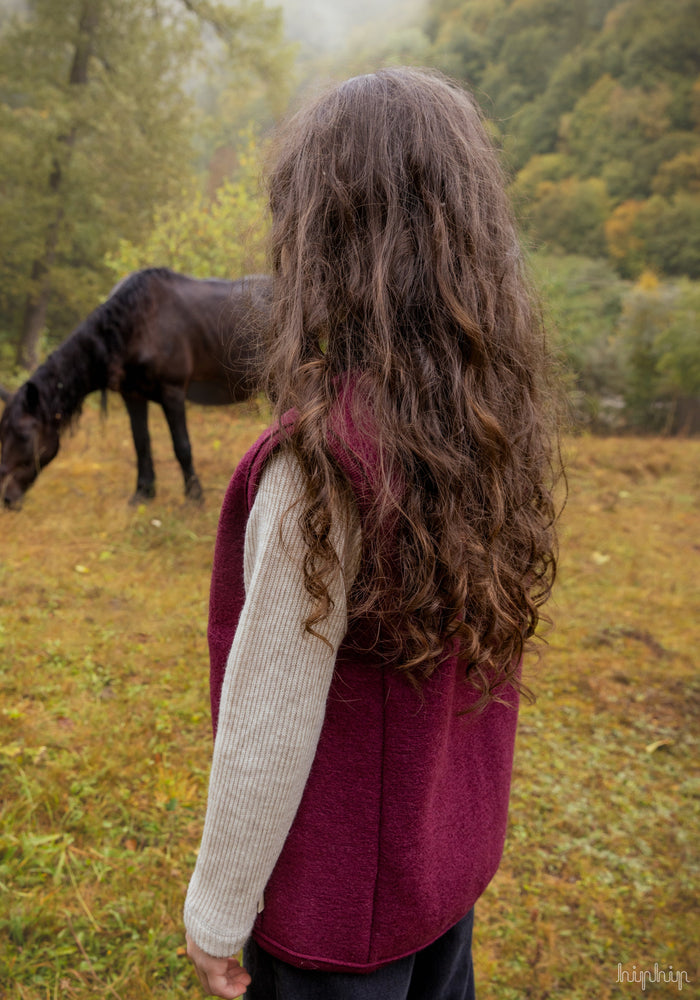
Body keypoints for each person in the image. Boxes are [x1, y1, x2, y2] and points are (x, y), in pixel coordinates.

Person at [183, 67, 560, 999]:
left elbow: (268, 728)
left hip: (337, 923)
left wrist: (218, 910)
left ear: (320, 243)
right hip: (444, 881)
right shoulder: (487, 425)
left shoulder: (316, 470)